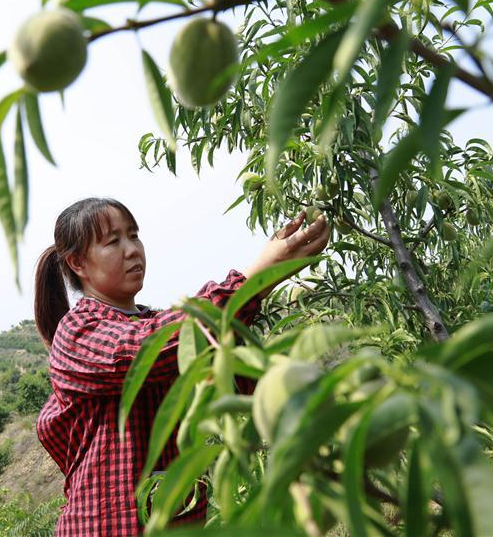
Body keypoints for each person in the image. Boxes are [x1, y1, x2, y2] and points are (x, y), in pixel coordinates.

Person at [33, 197, 330, 536]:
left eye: (134, 236)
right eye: (113, 241)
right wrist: (253, 281)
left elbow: (234, 382)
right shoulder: (78, 331)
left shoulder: (156, 324)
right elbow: (148, 351)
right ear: (78, 263)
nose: (132, 250)